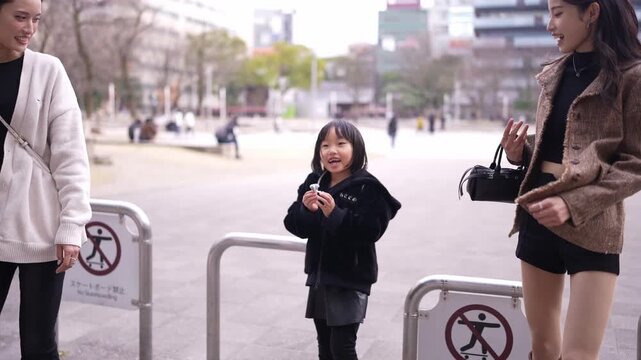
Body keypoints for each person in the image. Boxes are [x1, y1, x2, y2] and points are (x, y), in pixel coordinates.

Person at [501, 1, 641, 359]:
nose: (550, 25)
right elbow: (563, 146)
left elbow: (635, 164)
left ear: (592, 12)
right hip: (539, 212)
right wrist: (521, 152)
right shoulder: (554, 72)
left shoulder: (632, 76)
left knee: (580, 353)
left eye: (559, 13)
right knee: (544, 346)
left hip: (595, 222)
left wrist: (571, 203)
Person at [0, 0, 92, 359]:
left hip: (41, 231)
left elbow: (71, 156)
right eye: (20, 17)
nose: (29, 29)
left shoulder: (47, 70)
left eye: (36, 19)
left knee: (39, 343)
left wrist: (71, 227)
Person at [284, 119, 401, 360]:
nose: (332, 151)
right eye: (325, 145)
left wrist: (334, 214)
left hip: (350, 279)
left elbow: (371, 231)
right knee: (325, 345)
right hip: (320, 276)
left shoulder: (367, 188)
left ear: (356, 149)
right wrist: (308, 211)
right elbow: (293, 224)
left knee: (342, 347)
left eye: (341, 143)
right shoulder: (315, 181)